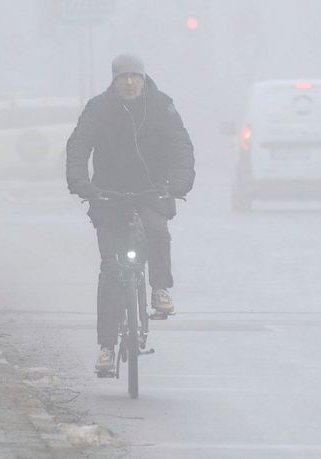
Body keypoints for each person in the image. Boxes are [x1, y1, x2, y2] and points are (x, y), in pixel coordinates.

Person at [66, 54, 195, 372]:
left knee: (158, 231)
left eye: (134, 76)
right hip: (108, 195)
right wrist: (80, 182)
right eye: (123, 77)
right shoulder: (98, 109)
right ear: (114, 80)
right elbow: (79, 145)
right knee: (111, 271)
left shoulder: (162, 106)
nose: (129, 82)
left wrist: (180, 182)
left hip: (151, 192)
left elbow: (181, 145)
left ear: (143, 78)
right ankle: (107, 348)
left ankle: (159, 288)